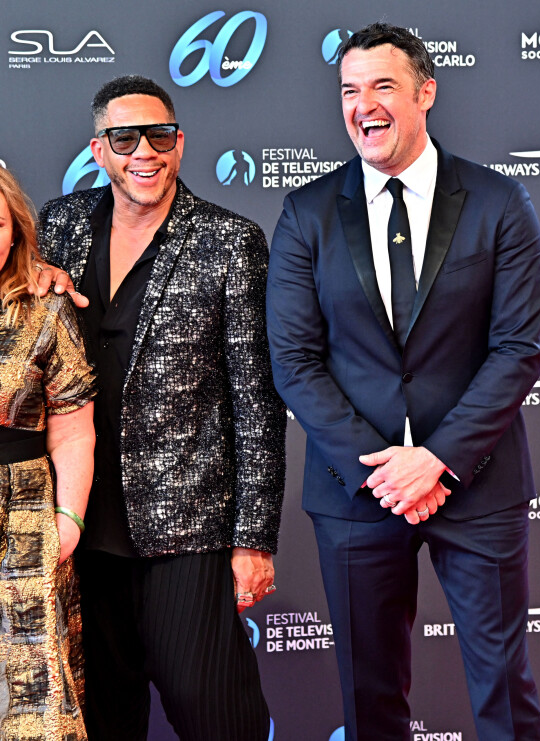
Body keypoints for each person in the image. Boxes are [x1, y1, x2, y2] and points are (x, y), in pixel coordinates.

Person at [267, 23, 540, 741]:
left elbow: (516, 349)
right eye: (350, 90)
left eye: (382, 86)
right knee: (370, 698)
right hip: (357, 492)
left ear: (426, 91)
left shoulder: (498, 203)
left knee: (504, 693)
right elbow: (296, 360)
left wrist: (438, 458)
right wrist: (387, 473)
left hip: (477, 482)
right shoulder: (307, 213)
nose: (364, 105)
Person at [37, 75, 286, 741]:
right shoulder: (59, 224)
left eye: (161, 135)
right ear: (99, 149)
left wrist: (254, 537)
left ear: (179, 143)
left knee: (217, 715)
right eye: (125, 137)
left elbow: (256, 398)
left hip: (189, 532)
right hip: (80, 526)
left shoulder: (228, 240)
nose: (144, 151)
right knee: (102, 717)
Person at [0, 167, 96, 740]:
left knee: (36, 690)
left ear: (15, 230)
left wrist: (68, 520)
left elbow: (74, 427)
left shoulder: (44, 306)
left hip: (28, 514)